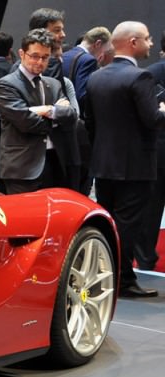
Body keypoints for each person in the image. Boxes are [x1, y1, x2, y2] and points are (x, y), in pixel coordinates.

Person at [84, 21, 165, 297]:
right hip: (135, 166)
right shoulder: (140, 77)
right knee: (128, 226)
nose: (150, 43)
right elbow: (153, 119)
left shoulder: (96, 77)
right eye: (147, 38)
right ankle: (123, 281)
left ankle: (105, 277)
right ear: (133, 42)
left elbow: (90, 123)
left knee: (108, 224)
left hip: (103, 164)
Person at [0, 29, 77, 194]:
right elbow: (26, 122)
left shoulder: (53, 84)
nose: (40, 62)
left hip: (55, 161)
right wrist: (56, 115)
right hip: (23, 167)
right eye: (34, 56)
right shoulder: (7, 84)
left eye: (45, 57)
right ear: (22, 54)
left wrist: (47, 110)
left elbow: (71, 116)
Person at [136, 30, 165, 271]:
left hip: (156, 150)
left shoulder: (150, 73)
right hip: (158, 150)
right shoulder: (150, 75)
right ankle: (145, 258)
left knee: (151, 207)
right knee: (152, 207)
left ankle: (145, 258)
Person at [62, 27, 111, 107]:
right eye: (104, 50)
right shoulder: (89, 60)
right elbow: (82, 96)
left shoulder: (64, 55)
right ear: (98, 44)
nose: (102, 55)